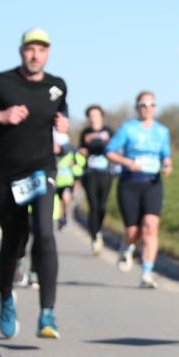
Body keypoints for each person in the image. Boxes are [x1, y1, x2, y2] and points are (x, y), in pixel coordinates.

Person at [0, 27, 68, 340]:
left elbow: (61, 113)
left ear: (48, 53)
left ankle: (47, 314)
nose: (36, 55)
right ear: (22, 52)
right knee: (14, 240)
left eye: (42, 50)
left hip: (42, 171)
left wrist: (63, 123)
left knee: (45, 232)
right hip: (8, 176)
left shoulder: (57, 86)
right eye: (30, 49)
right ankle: (6, 297)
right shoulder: (0, 83)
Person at [105, 91, 172, 288]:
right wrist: (127, 162)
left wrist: (167, 165)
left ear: (155, 108)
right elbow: (109, 152)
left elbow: (166, 155)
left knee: (150, 227)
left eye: (151, 105)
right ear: (137, 108)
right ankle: (126, 247)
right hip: (130, 182)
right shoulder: (128, 128)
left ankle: (146, 274)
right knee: (133, 231)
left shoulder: (162, 131)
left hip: (152, 183)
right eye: (143, 105)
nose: (147, 108)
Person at [79, 105, 115, 255]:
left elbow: (114, 149)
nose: (93, 118)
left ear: (101, 116)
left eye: (96, 115)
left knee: (102, 205)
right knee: (93, 204)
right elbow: (81, 149)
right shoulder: (85, 132)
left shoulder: (109, 131)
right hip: (90, 173)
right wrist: (83, 151)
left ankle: (98, 229)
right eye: (91, 116)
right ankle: (94, 236)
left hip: (105, 172)